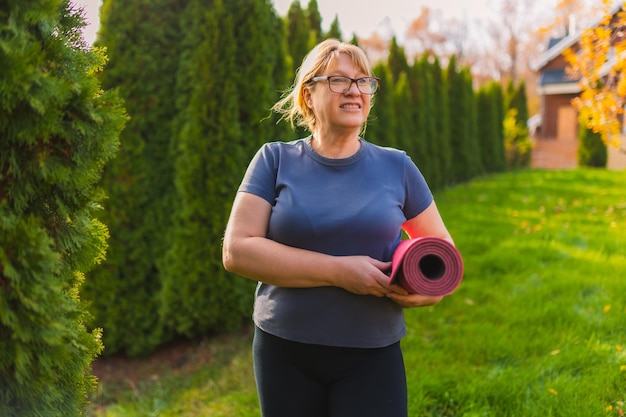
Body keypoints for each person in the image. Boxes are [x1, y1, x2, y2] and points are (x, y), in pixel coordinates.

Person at [222, 38, 455, 417]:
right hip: (285, 349)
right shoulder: (274, 159)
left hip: (372, 353)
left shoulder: (398, 167)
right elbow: (237, 250)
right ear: (308, 96)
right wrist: (338, 271)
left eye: (363, 81)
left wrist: (429, 292)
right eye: (338, 80)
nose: (354, 90)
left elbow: (441, 249)